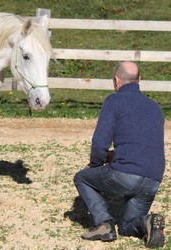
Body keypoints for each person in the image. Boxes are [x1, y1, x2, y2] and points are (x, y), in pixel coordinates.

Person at [73, 61, 165, 248]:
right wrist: (114, 156)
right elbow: (143, 146)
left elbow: (100, 143)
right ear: (139, 80)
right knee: (128, 226)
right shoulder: (155, 107)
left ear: (116, 81)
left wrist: (95, 165)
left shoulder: (113, 101)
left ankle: (104, 224)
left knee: (82, 178)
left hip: (127, 176)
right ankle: (148, 222)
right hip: (153, 179)